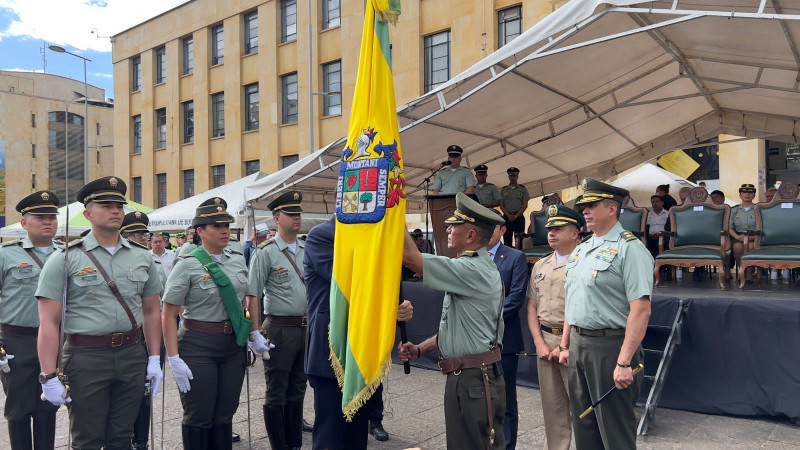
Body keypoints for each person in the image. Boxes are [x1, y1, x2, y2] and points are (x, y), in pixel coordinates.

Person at [36, 176, 163, 449]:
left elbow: (152, 311)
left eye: (119, 205)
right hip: (86, 358)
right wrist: (48, 375)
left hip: (131, 354)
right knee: (87, 439)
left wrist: (155, 358)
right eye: (106, 205)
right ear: (88, 213)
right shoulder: (66, 258)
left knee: (122, 437)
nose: (115, 210)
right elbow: (48, 321)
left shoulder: (141, 257)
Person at [398, 192, 506, 449]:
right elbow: (459, 330)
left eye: (454, 224)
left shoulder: (471, 269)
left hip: (473, 379)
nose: (447, 228)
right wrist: (420, 349)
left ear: (470, 236)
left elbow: (410, 257)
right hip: (470, 376)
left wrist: (395, 212)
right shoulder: (473, 267)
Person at [162, 197, 270, 449]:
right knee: (199, 415)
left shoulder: (236, 258)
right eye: (217, 226)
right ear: (200, 231)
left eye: (227, 226)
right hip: (198, 345)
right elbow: (168, 314)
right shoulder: (187, 263)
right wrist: (174, 358)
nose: (224, 231)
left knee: (225, 414)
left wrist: (254, 332)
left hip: (232, 345)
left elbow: (245, 299)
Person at [303, 216, 413, 449]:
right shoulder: (322, 235)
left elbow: (382, 279)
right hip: (332, 351)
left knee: (356, 436)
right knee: (330, 435)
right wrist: (388, 307)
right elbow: (353, 281)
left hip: (362, 349)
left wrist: (395, 308)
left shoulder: (372, 237)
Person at [565, 178, 653, 450]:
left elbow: (641, 309)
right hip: (580, 346)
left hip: (610, 347)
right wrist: (566, 344)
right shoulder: (582, 248)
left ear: (612, 208)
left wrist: (624, 362)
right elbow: (573, 300)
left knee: (613, 430)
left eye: (592, 205)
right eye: (584, 206)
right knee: (584, 428)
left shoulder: (631, 249)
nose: (585, 211)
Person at [247, 191, 308, 450]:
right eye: (290, 214)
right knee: (277, 391)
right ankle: (279, 445)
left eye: (298, 213)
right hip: (280, 328)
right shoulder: (266, 252)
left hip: (306, 328)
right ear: (276, 219)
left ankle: (294, 442)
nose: (297, 217)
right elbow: (253, 294)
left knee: (298, 387)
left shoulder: (308, 248)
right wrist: (256, 332)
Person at [0, 191, 61, 450]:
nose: (48, 222)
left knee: (49, 407)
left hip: (57, 339)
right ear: (24, 223)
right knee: (19, 408)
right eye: (40, 217)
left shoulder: (68, 255)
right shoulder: (6, 255)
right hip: (18, 340)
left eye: (52, 217)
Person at [527, 205, 585, 450]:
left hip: (575, 342)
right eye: (550, 228)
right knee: (552, 407)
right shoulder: (541, 265)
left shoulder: (583, 261)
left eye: (558, 229)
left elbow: (579, 306)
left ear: (575, 233)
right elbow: (531, 307)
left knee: (582, 407)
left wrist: (564, 345)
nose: (551, 233)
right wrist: (540, 343)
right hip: (546, 341)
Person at [119, 211, 167, 450]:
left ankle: (141, 441)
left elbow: (164, 302)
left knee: (144, 394)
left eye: (143, 233)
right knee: (122, 396)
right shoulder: (113, 264)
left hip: (149, 336)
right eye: (133, 233)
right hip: (125, 337)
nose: (140, 238)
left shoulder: (154, 264)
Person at [486, 213, 528, 450]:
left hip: (504, 339)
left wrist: (486, 320)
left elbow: (516, 297)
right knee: (482, 398)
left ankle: (507, 445)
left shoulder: (515, 257)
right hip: (476, 342)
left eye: (490, 228)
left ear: (502, 230)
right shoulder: (473, 257)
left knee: (505, 398)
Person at [729, 184, 758, 276]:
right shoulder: (734, 210)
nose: (747, 194)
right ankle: (741, 270)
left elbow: (763, 227)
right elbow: (729, 227)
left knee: (751, 247)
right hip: (738, 236)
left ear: (754, 195)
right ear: (740, 195)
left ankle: (750, 273)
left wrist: (753, 237)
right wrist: (737, 236)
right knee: (737, 248)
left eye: (750, 192)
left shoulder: (759, 209)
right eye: (744, 192)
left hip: (755, 236)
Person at [500, 167, 530, 248]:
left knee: (520, 241)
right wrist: (509, 216)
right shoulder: (504, 190)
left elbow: (525, 205)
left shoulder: (523, 189)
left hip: (519, 217)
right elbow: (501, 205)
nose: (513, 178)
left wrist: (516, 216)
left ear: (517, 177)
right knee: (507, 240)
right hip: (507, 217)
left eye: (514, 176)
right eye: (511, 176)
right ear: (509, 177)